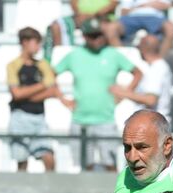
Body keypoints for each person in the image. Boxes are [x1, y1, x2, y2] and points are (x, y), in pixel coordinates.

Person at [54, 17, 141, 171]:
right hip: (80, 120)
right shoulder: (75, 55)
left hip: (105, 120)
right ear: (85, 36)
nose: (97, 39)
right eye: (93, 36)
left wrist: (124, 93)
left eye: (99, 35)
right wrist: (62, 99)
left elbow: (137, 73)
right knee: (84, 166)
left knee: (111, 165)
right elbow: (50, 74)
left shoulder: (113, 54)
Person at [7, 27, 58, 173]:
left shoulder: (42, 65)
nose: (38, 47)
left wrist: (27, 94)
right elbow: (16, 94)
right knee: (21, 162)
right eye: (36, 43)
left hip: (39, 118)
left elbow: (52, 89)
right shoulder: (13, 66)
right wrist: (41, 87)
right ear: (25, 42)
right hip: (20, 118)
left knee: (49, 158)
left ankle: (51, 192)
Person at [110, 34, 172, 122]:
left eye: (138, 48)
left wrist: (122, 93)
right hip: (153, 123)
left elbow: (150, 100)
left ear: (144, 48)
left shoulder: (157, 69)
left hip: (154, 125)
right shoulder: (156, 67)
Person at [109, 0, 173, 57]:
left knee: (171, 29)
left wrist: (170, 4)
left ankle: (160, 61)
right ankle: (123, 60)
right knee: (111, 29)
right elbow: (124, 11)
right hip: (133, 16)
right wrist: (141, 7)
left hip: (156, 17)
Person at [45, 0, 118, 62]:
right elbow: (74, 5)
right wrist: (83, 14)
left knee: (107, 28)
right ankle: (64, 58)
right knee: (59, 25)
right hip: (83, 18)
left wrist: (96, 14)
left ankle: (115, 59)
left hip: (103, 18)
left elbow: (113, 4)